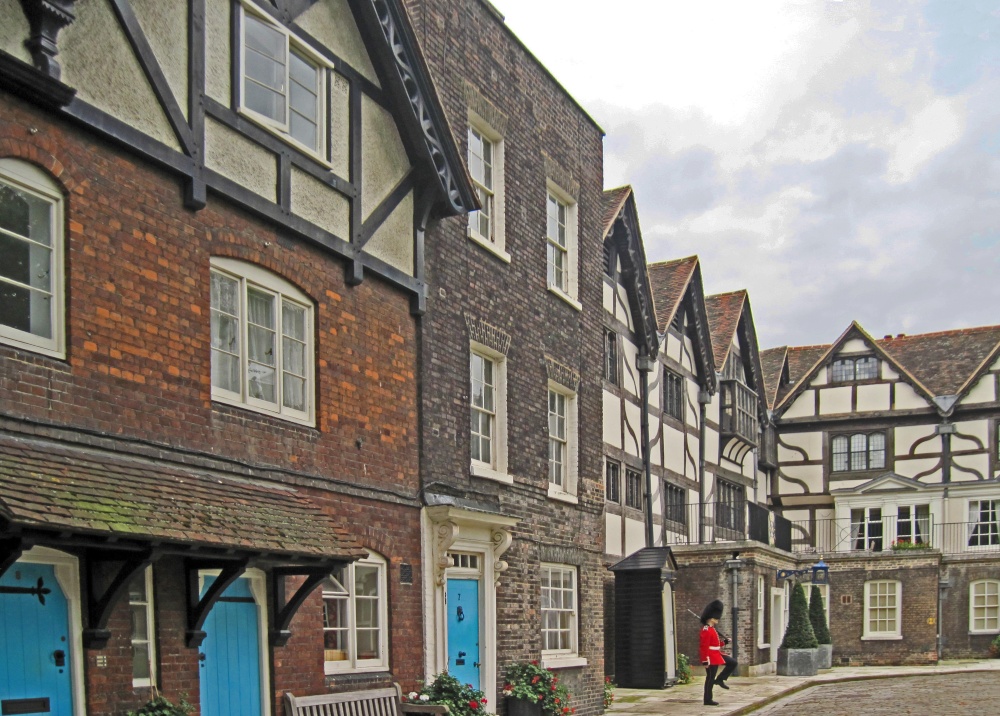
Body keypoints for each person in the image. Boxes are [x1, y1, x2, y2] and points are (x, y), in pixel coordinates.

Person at [699, 599, 737, 706]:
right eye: (716, 617)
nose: (718, 619)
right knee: (710, 678)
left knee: (732, 663)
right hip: (710, 657)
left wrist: (724, 642)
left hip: (716, 654)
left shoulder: (712, 629)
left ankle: (720, 679)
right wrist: (705, 660)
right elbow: (704, 647)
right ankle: (707, 699)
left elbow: (715, 645)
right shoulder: (706, 630)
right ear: (712, 618)